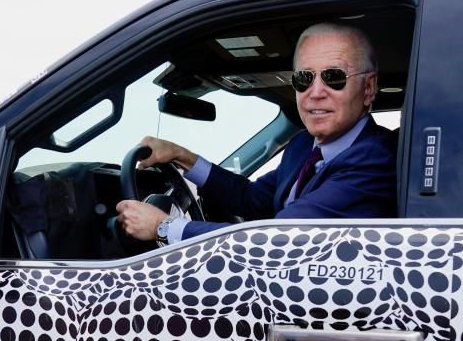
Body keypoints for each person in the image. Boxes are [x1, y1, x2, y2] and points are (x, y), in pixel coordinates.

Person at [115, 22, 396, 244]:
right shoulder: (303, 146)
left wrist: (163, 228)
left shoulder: (375, 159)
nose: (316, 92)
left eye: (334, 77)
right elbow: (252, 200)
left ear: (368, 88)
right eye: (304, 78)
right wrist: (182, 156)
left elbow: (277, 239)